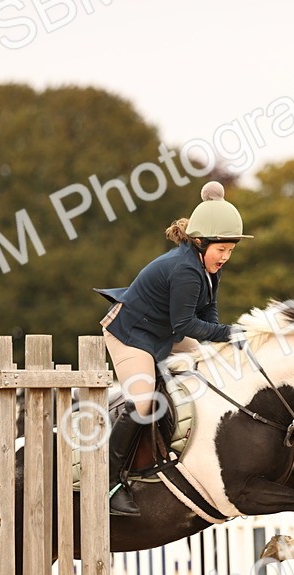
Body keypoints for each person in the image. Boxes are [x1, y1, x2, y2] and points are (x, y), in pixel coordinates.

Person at [95, 180, 252, 516]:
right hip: (130, 333)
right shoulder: (184, 270)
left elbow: (207, 313)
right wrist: (230, 333)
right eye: (221, 250)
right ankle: (108, 485)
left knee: (213, 366)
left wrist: (224, 339)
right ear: (200, 242)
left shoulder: (207, 267)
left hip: (163, 331)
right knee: (142, 401)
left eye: (230, 251)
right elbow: (185, 326)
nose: (225, 257)